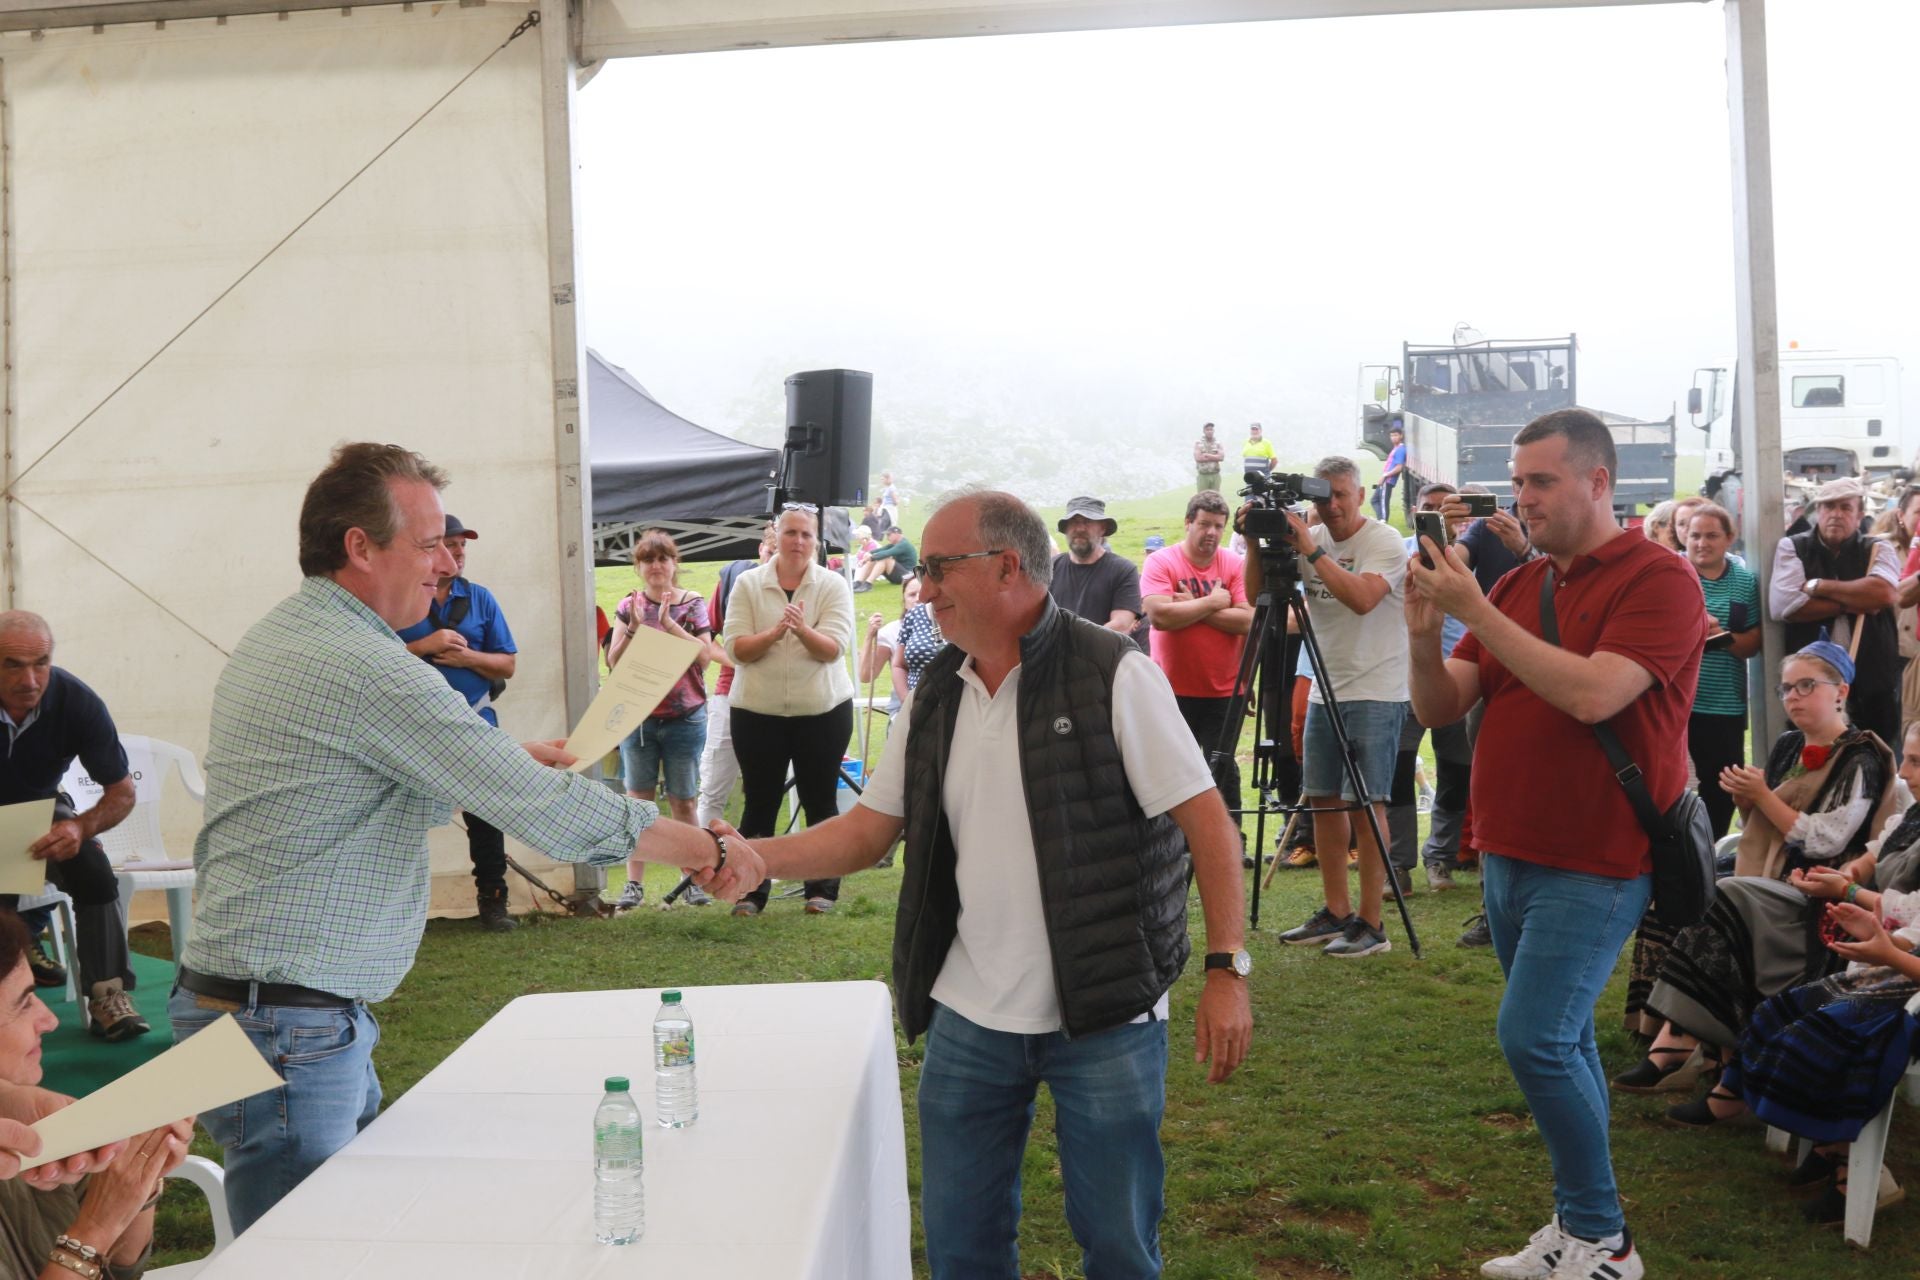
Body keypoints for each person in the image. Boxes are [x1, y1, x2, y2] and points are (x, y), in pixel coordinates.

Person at [170, 443, 760, 1235]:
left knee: (343, 1239)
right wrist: (710, 852)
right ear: (360, 546)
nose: (445, 564)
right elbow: (542, 811)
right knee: (303, 1253)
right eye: (429, 543)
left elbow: (364, 772)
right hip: (286, 1027)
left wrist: (507, 755)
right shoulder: (366, 663)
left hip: (277, 1015)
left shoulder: (293, 635)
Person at [710, 488, 1251, 1279]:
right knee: (962, 1249)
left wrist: (1226, 968)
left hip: (1107, 1015)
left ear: (1006, 567)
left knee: (1120, 1248)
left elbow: (1210, 825)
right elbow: (867, 831)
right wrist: (758, 855)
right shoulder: (935, 695)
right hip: (968, 1018)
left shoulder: (1114, 674)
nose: (921, 588)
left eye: (936, 568)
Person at [1406, 407, 1707, 1280]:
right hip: (1507, 849)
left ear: (1598, 481)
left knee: (1535, 1039)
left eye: (1541, 480)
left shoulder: (1661, 580)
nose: (1521, 499)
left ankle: (1605, 1240)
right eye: (1518, 480)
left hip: (1600, 857)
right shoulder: (1517, 586)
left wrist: (1472, 609)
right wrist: (1426, 632)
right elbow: (1437, 708)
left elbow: (1591, 695)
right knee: (1563, 1039)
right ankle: (1579, 1226)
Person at [1623, 640, 1898, 1111]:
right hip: (1771, 869)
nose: (1792, 696)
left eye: (1806, 685)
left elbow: (1826, 842)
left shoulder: (1862, 755)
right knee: (1677, 888)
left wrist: (1762, 797)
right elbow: (1758, 829)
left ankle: (1685, 1042)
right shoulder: (1790, 743)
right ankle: (1679, 1034)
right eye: (1786, 687)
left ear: (1841, 691)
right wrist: (1746, 799)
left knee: (1719, 898)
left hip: (1817, 884)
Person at [1263, 457, 1409, 957]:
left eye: (1343, 495)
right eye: (1325, 497)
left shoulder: (1383, 541)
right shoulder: (1312, 535)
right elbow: (1257, 597)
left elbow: (1364, 599)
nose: (1334, 506)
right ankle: (1336, 911)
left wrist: (1310, 548)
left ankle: (1373, 924)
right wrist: (1263, 543)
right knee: (1324, 799)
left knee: (1367, 804)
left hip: (1376, 688)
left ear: (1362, 494)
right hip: (1326, 688)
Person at [0, 910, 194, 1279]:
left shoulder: (31, 1121)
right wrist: (96, 1228)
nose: (50, 1020)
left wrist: (139, 1178)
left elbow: (122, 1270)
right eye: (24, 1003)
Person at [0, 612, 148, 1041]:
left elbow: (121, 792)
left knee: (93, 868)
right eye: (13, 664)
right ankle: (11, 993)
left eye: (41, 662)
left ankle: (108, 995)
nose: (30, 679)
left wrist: (81, 829)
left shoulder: (77, 701)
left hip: (40, 808)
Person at [720, 503, 856, 917]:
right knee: (760, 804)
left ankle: (822, 889)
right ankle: (750, 890)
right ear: (775, 536)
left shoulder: (833, 585)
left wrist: (801, 629)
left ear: (817, 542)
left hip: (823, 711)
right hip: (757, 713)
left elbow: (834, 650)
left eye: (806, 535)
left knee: (820, 802)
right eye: (791, 533)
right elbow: (735, 649)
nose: (798, 542)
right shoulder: (747, 583)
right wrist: (776, 631)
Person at [394, 514, 522, 932]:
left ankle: (494, 900)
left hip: (473, 720)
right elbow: (374, 659)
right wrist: (422, 646)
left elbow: (507, 664)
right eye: (450, 544)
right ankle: (394, 910)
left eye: (463, 544)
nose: (459, 552)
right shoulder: (400, 599)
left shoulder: (481, 599)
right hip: (412, 725)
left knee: (486, 812)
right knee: (398, 814)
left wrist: (468, 659)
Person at [608, 529, 726, 911]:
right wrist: (634, 628)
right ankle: (633, 884)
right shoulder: (629, 606)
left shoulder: (691, 605)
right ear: (638, 566)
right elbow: (613, 662)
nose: (656, 566)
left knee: (684, 802)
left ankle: (690, 880)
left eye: (662, 559)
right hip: (640, 718)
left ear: (675, 564)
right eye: (648, 559)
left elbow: (704, 655)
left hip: (684, 716)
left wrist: (668, 623)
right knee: (637, 801)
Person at [1142, 492, 1252, 847]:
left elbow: (1249, 621)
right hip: (1172, 689)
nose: (1211, 532)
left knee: (1223, 769)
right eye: (1204, 524)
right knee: (1174, 768)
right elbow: (1159, 616)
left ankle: (1231, 842)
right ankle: (1176, 843)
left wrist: (1195, 608)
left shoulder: (1233, 564)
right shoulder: (1162, 562)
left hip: (1225, 689)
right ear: (1188, 522)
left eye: (1218, 526)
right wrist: (1217, 602)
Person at [1770, 476, 1901, 748]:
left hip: (1872, 682)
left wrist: (1818, 586)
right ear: (1818, 511)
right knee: (1814, 763)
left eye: (1845, 507)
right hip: (1811, 685)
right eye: (1828, 507)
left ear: (1859, 515)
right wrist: (1853, 601)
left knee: (1875, 759)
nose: (1836, 514)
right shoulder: (1792, 546)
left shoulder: (1878, 548)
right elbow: (1785, 607)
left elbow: (1884, 593)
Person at [1389, 483, 1471, 893]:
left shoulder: (1471, 556)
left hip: (1459, 677)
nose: (1436, 516)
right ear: (1412, 512)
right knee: (1399, 771)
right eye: (1428, 510)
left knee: (1456, 771)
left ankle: (1440, 859)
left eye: (1445, 510)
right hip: (1406, 679)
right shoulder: (1401, 551)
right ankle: (1399, 865)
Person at [1684, 502, 1762, 839]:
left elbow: (1753, 644)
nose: (1702, 543)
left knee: (1723, 786)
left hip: (1724, 703)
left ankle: (1709, 855)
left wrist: (1720, 635)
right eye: (1695, 535)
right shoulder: (1673, 576)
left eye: (1711, 535)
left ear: (1729, 538)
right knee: (1667, 783)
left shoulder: (1744, 583)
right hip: (1677, 701)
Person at [695, 524, 776, 832]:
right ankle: (700, 872)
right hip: (730, 696)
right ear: (760, 550)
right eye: (770, 553)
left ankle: (758, 869)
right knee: (713, 787)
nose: (773, 562)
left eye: (780, 556)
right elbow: (705, 638)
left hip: (774, 701)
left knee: (763, 791)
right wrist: (737, 660)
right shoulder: (734, 581)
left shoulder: (798, 590)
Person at [1049, 496, 1143, 636]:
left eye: (1087, 522)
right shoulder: (1050, 568)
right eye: (1074, 522)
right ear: (1066, 528)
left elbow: (1121, 625)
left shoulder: (1123, 570)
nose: (1080, 528)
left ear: (1102, 528)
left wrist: (1073, 642)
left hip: (1102, 656)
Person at [854, 526, 918, 593]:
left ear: (897, 534)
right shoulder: (895, 544)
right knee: (874, 558)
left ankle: (868, 584)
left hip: (906, 577)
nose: (887, 537)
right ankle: (858, 582)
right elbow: (882, 549)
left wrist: (870, 557)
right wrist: (869, 553)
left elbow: (887, 553)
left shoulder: (904, 544)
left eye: (889, 535)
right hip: (898, 575)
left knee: (884, 559)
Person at [1373, 424, 1407, 522]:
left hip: (1388, 480)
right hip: (1385, 479)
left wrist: (1385, 476)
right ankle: (1381, 520)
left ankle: (1383, 521)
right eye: (1391, 435)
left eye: (1396, 435)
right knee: (1374, 500)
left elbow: (1399, 467)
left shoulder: (1401, 449)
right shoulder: (1395, 448)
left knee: (1383, 502)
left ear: (1401, 436)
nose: (1393, 438)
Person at [1193, 422, 1225, 494]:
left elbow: (1221, 457)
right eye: (1207, 429)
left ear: (1213, 431)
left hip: (1215, 475)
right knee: (1202, 498)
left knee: (1215, 498)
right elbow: (1198, 458)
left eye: (1211, 429)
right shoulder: (1198, 443)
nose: (1210, 431)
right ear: (1204, 431)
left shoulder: (1218, 443)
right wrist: (1215, 457)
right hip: (1203, 476)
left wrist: (1207, 455)